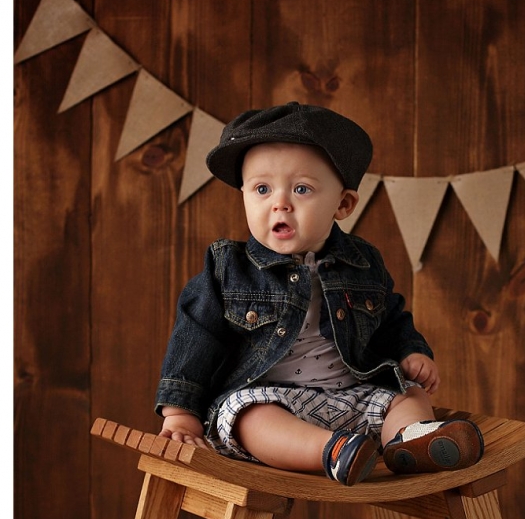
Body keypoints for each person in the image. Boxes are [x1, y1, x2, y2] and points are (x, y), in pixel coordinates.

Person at [156, 102, 484, 486]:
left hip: (353, 396)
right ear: (244, 194)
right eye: (262, 188)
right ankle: (332, 451)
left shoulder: (362, 262)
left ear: (342, 204)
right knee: (248, 417)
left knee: (407, 395)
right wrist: (180, 412)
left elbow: (390, 317)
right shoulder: (229, 268)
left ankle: (411, 442)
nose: (280, 203)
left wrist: (412, 352)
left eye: (301, 189)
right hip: (273, 401)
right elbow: (196, 334)